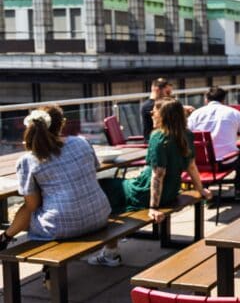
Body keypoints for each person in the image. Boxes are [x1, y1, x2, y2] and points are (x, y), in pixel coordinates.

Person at [90, 98, 212, 266]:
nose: (151, 113)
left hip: (146, 193)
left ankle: (111, 252)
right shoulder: (187, 134)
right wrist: (201, 189)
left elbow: (157, 175)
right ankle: (113, 244)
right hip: (171, 191)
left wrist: (153, 208)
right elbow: (191, 166)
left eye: (155, 111)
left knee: (105, 187)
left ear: (164, 116)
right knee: (114, 185)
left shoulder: (159, 137)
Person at [0, 105, 111, 249]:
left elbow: (31, 206)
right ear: (62, 123)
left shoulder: (29, 160)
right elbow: (94, 169)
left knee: (33, 208)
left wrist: (8, 234)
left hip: (61, 227)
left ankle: (5, 239)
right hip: (99, 216)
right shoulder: (82, 142)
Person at [187, 86, 240, 203]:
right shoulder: (232, 112)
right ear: (224, 100)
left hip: (201, 164)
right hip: (225, 162)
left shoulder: (195, 114)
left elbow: (187, 133)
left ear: (206, 100)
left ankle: (205, 190)